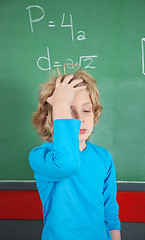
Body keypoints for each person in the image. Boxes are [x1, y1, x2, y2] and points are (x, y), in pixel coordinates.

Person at [29, 67, 121, 240]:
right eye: (69, 111)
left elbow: (110, 213)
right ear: (48, 121)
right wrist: (59, 103)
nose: (80, 119)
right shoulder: (40, 156)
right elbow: (67, 165)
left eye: (86, 110)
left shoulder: (103, 157)